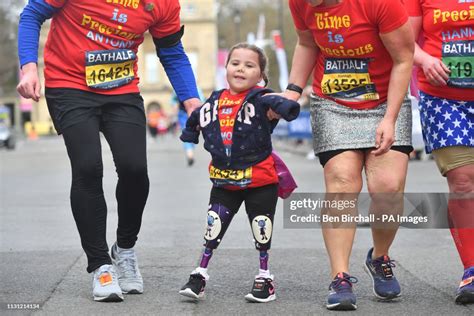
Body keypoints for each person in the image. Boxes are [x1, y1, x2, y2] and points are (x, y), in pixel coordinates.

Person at [16, 0, 201, 302]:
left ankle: (124, 249)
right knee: (88, 168)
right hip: (69, 85)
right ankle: (101, 264)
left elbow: (171, 52)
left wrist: (191, 99)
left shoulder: (165, 4)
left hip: (122, 89)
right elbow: (32, 13)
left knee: (134, 169)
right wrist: (29, 67)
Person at [286, 0, 414, 310]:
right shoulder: (300, 3)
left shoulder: (379, 4)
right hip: (333, 104)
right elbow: (306, 43)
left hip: (386, 102)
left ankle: (380, 257)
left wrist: (390, 119)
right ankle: (339, 276)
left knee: (387, 188)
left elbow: (403, 58)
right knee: (342, 183)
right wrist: (292, 91)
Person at [178, 43, 300, 303]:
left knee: (261, 229)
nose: (241, 69)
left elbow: (277, 103)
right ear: (226, 68)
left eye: (249, 65)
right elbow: (197, 116)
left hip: (260, 181)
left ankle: (265, 278)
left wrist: (286, 107)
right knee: (212, 228)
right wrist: (190, 133)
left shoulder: (262, 99)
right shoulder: (215, 99)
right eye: (235, 63)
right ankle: (199, 274)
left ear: (261, 75)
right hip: (224, 181)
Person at [405, 0, 474, 305]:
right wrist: (424, 59)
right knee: (462, 183)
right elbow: (402, 39)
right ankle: (471, 269)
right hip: (444, 100)